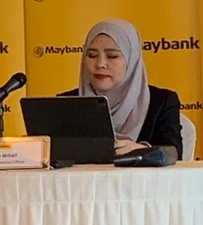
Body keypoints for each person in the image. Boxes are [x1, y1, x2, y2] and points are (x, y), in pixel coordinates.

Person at [61, 18, 182, 159]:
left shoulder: (161, 102)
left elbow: (175, 154)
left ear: (131, 60)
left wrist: (142, 150)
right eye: (92, 55)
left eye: (112, 56)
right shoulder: (66, 103)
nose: (100, 64)